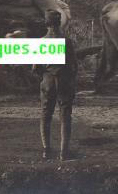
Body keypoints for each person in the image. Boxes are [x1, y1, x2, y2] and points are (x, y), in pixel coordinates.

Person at [33, 10, 78, 160]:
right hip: (64, 80)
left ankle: (46, 150)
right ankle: (64, 152)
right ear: (59, 23)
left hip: (48, 81)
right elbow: (74, 66)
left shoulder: (42, 41)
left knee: (46, 115)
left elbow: (36, 68)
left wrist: (44, 76)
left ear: (46, 23)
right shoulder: (66, 41)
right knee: (65, 115)